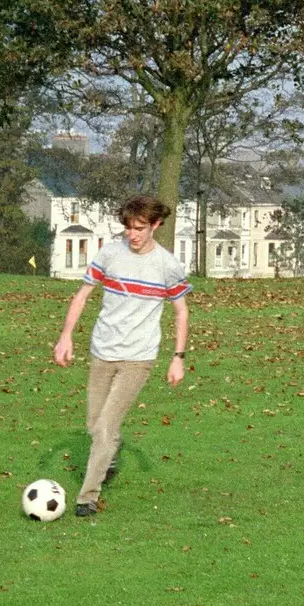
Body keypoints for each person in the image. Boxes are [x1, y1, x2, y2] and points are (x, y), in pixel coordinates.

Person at [52, 195, 191, 518]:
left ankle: (88, 496)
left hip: (138, 358)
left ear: (156, 225)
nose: (134, 234)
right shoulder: (110, 254)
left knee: (104, 429)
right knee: (94, 426)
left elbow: (181, 311)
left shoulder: (167, 265)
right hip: (102, 352)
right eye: (129, 228)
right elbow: (83, 294)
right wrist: (66, 336)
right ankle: (109, 456)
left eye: (141, 228)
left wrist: (178, 357)